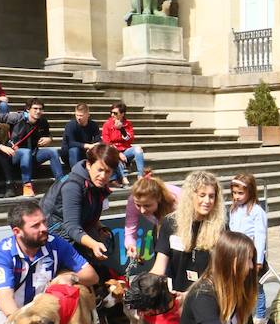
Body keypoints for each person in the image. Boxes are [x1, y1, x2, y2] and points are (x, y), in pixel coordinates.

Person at [41, 144, 119, 273]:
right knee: (90, 276)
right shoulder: (73, 185)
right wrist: (93, 244)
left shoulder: (96, 183)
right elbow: (71, 226)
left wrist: (99, 227)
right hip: (54, 236)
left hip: (74, 231)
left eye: (108, 172)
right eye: (100, 169)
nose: (103, 176)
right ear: (88, 165)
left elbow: (87, 212)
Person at [150, 170, 224, 295]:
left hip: (208, 296)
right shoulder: (170, 223)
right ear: (191, 195)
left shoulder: (221, 227)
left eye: (211, 196)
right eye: (202, 195)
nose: (207, 201)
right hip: (177, 296)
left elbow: (221, 272)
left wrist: (191, 295)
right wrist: (145, 287)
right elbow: (159, 267)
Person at [228, 173, 268, 324]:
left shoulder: (257, 211)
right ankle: (242, 313)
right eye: (234, 193)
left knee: (256, 285)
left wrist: (258, 260)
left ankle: (260, 315)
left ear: (250, 192)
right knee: (239, 284)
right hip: (236, 254)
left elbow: (260, 235)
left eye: (240, 193)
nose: (236, 196)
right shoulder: (233, 209)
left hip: (251, 255)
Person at [10, 98, 64, 197]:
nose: (38, 111)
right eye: (35, 108)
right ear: (28, 109)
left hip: (33, 154)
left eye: (40, 109)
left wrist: (49, 139)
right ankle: (27, 185)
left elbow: (48, 135)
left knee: (52, 152)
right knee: (25, 152)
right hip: (15, 156)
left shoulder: (43, 122)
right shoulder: (17, 119)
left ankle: (61, 182)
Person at [125, 170, 180, 260]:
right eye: (138, 205)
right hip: (160, 227)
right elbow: (130, 229)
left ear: (158, 199)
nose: (142, 211)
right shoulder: (133, 200)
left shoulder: (177, 198)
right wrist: (131, 245)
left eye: (147, 205)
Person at [102, 102, 144, 186]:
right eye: (111, 112)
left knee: (138, 149)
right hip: (113, 150)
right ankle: (123, 177)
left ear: (122, 114)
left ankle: (141, 175)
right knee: (114, 156)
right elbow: (106, 142)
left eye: (115, 113)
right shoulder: (107, 124)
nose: (112, 115)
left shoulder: (127, 124)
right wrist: (118, 153)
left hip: (126, 149)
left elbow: (130, 139)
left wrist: (122, 130)